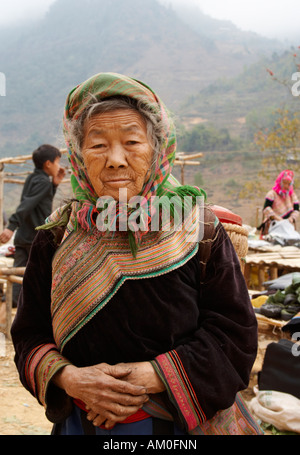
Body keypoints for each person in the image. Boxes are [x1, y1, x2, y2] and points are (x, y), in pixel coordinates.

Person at [11, 72, 261, 436]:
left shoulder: (197, 229)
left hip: (179, 428)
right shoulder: (57, 235)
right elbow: (29, 336)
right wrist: (71, 379)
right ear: (79, 156)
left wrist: (156, 375)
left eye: (131, 142)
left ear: (157, 150)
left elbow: (235, 335)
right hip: (83, 425)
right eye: (97, 145)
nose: (115, 159)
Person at [0, 144, 65, 306]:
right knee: (37, 274)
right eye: (57, 162)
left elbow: (38, 202)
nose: (59, 166)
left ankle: (14, 305)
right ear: (48, 164)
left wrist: (54, 185)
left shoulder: (33, 178)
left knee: (19, 273)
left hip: (23, 236)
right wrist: (11, 225)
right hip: (34, 238)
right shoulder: (42, 182)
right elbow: (27, 205)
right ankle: (27, 307)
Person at [261, 169, 299, 235]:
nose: (286, 185)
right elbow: (266, 208)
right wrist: (276, 218)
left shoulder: (292, 196)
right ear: (280, 181)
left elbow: (296, 210)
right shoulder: (272, 194)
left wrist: (291, 218)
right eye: (284, 182)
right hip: (273, 224)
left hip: (287, 225)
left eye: (288, 183)